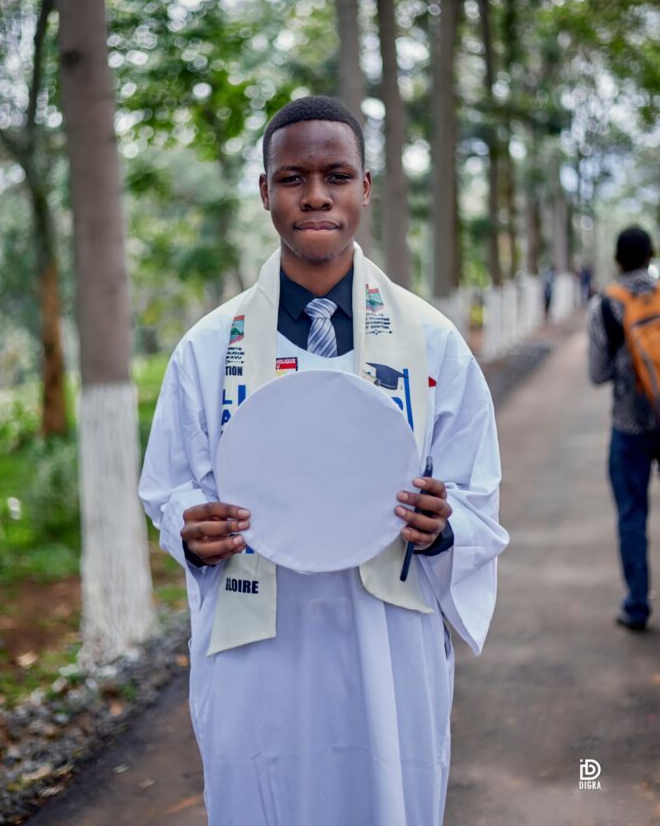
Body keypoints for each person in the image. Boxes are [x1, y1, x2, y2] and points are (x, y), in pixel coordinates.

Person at [139, 95, 509, 826]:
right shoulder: (210, 351)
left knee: (385, 797)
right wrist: (191, 530)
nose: (315, 195)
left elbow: (476, 495)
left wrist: (443, 525)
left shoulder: (431, 344)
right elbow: (170, 488)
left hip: (386, 645)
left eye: (336, 175)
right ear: (265, 192)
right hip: (258, 653)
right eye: (292, 178)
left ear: (366, 187)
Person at [587, 225, 660, 632]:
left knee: (632, 515)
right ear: (651, 255)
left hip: (629, 425)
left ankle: (637, 606)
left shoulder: (606, 304)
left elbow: (597, 374)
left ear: (617, 258)